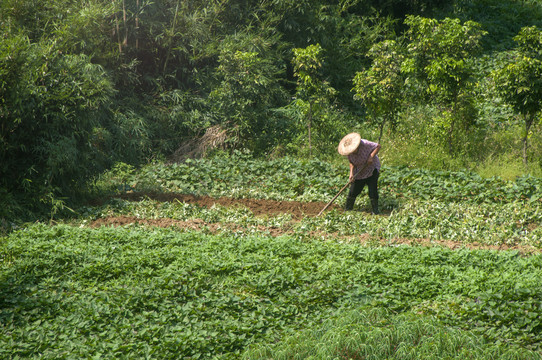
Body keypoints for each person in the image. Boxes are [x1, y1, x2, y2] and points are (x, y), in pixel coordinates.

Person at [337, 132, 381, 214]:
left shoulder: (365, 144)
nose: (352, 152)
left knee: (372, 189)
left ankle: (375, 211)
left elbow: (378, 146)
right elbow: (351, 162)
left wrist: (371, 156)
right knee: (353, 191)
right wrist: (351, 173)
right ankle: (348, 210)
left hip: (372, 168)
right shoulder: (349, 152)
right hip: (360, 170)